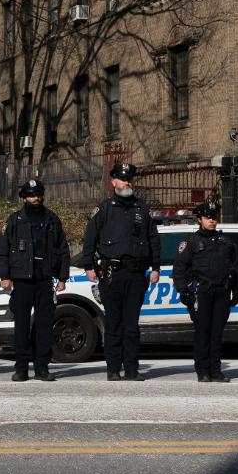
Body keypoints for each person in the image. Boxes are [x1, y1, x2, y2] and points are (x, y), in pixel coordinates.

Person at [79, 162, 160, 381]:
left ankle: (132, 369)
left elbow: (153, 238)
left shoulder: (141, 208)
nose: (127, 182)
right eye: (123, 179)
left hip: (136, 275)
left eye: (129, 179)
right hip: (112, 274)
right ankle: (113, 369)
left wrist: (155, 267)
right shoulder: (105, 208)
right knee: (114, 324)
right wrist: (88, 266)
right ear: (113, 181)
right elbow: (90, 239)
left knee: (131, 325)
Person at [0, 179, 69, 382]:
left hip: (44, 279)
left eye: (38, 194)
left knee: (44, 326)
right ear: (24, 197)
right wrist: (5, 276)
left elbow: (63, 249)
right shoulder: (15, 220)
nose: (36, 198)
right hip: (22, 280)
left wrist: (62, 277)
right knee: (21, 326)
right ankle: (21, 368)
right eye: (31, 195)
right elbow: (2, 250)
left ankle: (42, 368)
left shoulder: (52, 219)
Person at [171, 201, 238, 382]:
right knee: (203, 332)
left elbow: (236, 269)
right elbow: (179, 269)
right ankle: (202, 370)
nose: (212, 221)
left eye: (213, 217)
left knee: (217, 334)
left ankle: (216, 370)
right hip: (200, 293)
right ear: (200, 219)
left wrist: (236, 292)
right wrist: (183, 291)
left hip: (222, 293)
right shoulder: (191, 242)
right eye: (207, 218)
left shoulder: (226, 242)